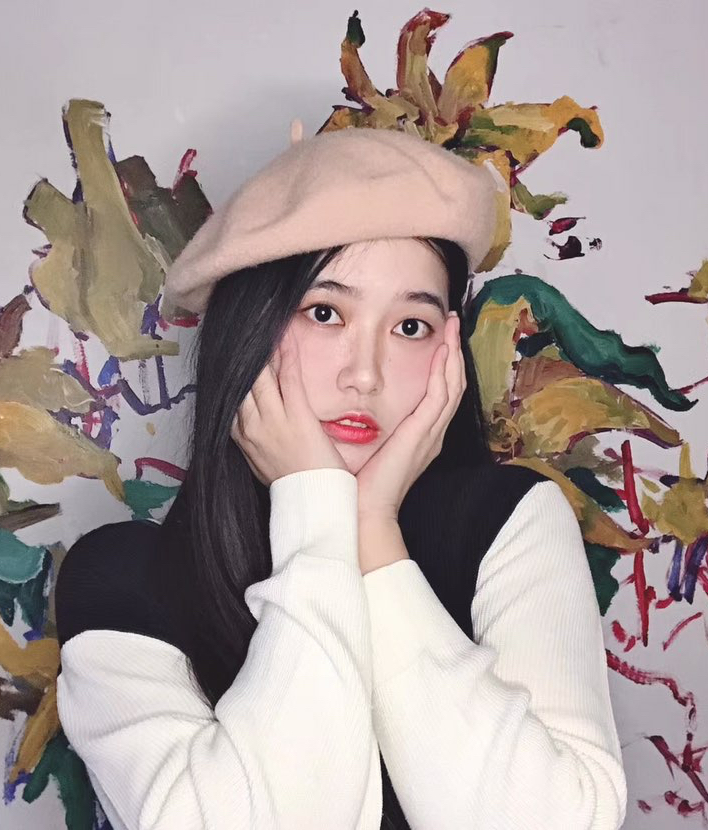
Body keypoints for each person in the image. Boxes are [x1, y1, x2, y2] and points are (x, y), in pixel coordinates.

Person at [54, 125, 628, 830]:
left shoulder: (508, 521)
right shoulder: (122, 580)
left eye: (411, 326)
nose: (366, 374)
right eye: (325, 313)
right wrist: (316, 513)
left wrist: (370, 532)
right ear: (247, 330)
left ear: (449, 352)